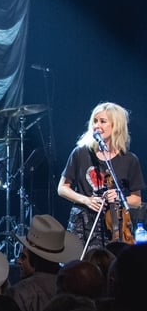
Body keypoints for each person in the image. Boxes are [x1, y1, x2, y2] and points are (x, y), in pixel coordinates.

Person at [57, 102, 145, 248]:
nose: (97, 126)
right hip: (83, 223)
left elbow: (136, 200)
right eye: (95, 121)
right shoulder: (80, 153)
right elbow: (62, 188)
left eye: (103, 121)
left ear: (116, 126)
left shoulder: (130, 159)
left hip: (114, 226)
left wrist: (119, 198)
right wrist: (86, 200)